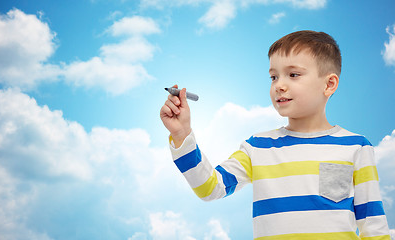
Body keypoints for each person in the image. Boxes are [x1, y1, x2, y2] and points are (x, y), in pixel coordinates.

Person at [160, 30, 391, 240]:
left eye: (293, 74)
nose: (279, 85)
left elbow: (374, 228)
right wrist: (182, 135)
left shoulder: (356, 147)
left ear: (329, 84)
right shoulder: (258, 147)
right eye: (274, 77)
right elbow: (211, 188)